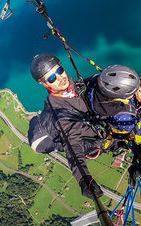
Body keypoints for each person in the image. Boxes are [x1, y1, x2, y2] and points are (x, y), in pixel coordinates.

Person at [29, 53, 103, 200]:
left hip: (96, 125)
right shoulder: (59, 112)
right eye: (51, 78)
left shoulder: (76, 86)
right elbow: (73, 146)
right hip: (94, 141)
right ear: (45, 84)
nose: (60, 77)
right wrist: (84, 179)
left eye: (60, 70)